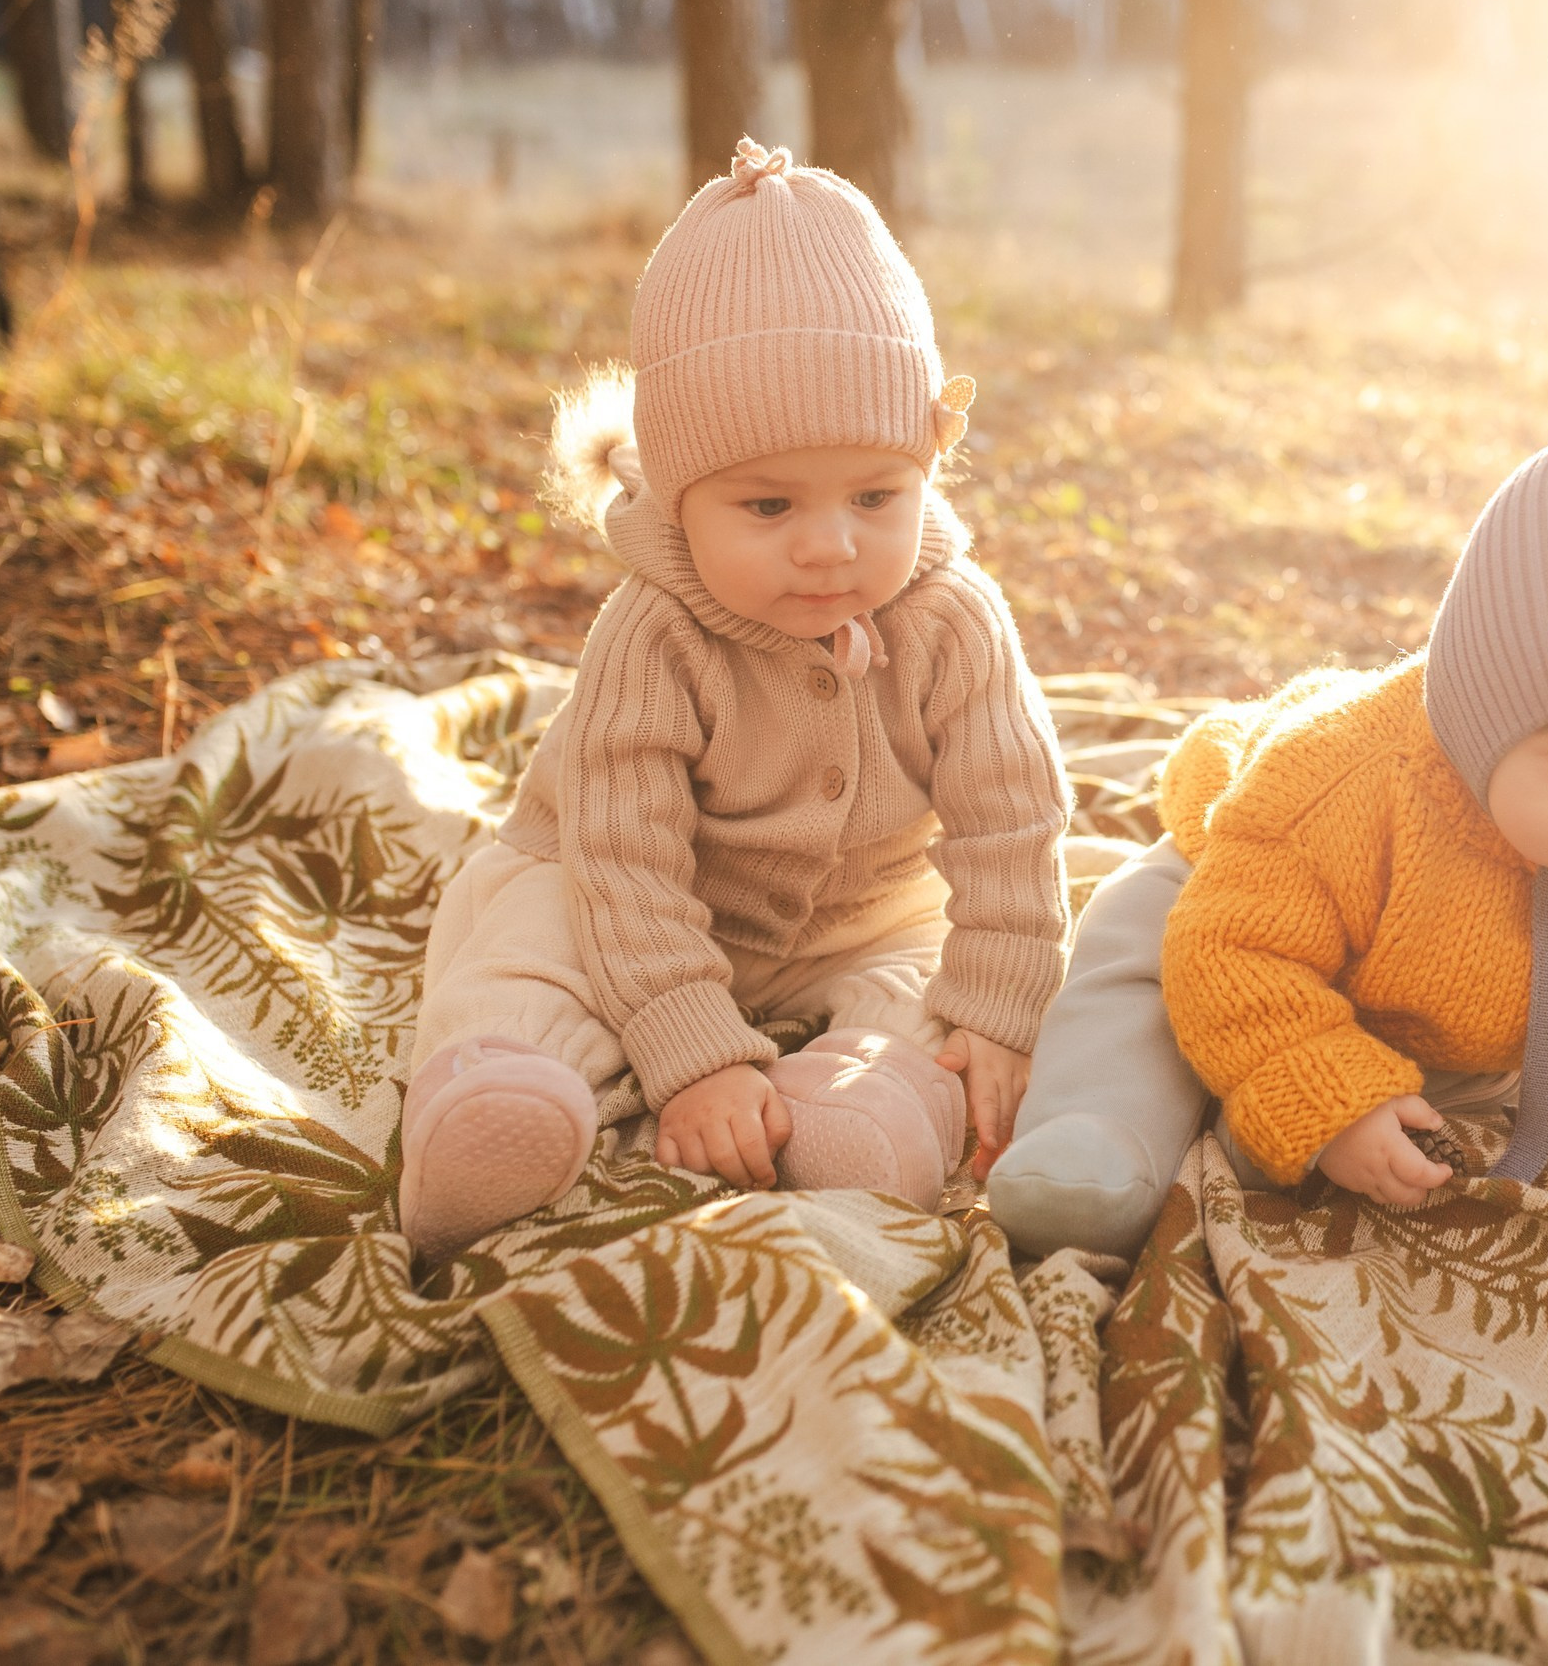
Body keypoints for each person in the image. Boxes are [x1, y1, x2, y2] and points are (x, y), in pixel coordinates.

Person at [989, 337, 1548, 1283]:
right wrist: (1327, 1095)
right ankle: (1097, 1134)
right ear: (1482, 722)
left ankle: (1337, 1084)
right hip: (1237, 908)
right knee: (1142, 960)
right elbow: (1234, 951)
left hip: (1483, 1011)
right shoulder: (1342, 782)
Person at [399, 140, 1071, 1259]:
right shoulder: (654, 633)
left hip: (859, 911)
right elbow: (622, 859)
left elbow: (1014, 820)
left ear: (929, 464)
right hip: (626, 895)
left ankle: (873, 1101)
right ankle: (494, 1096)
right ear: (677, 493)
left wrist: (1001, 1013)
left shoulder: (953, 619)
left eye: (874, 494)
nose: (829, 546)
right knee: (523, 946)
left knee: (930, 974)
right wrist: (694, 1051)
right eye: (767, 506)